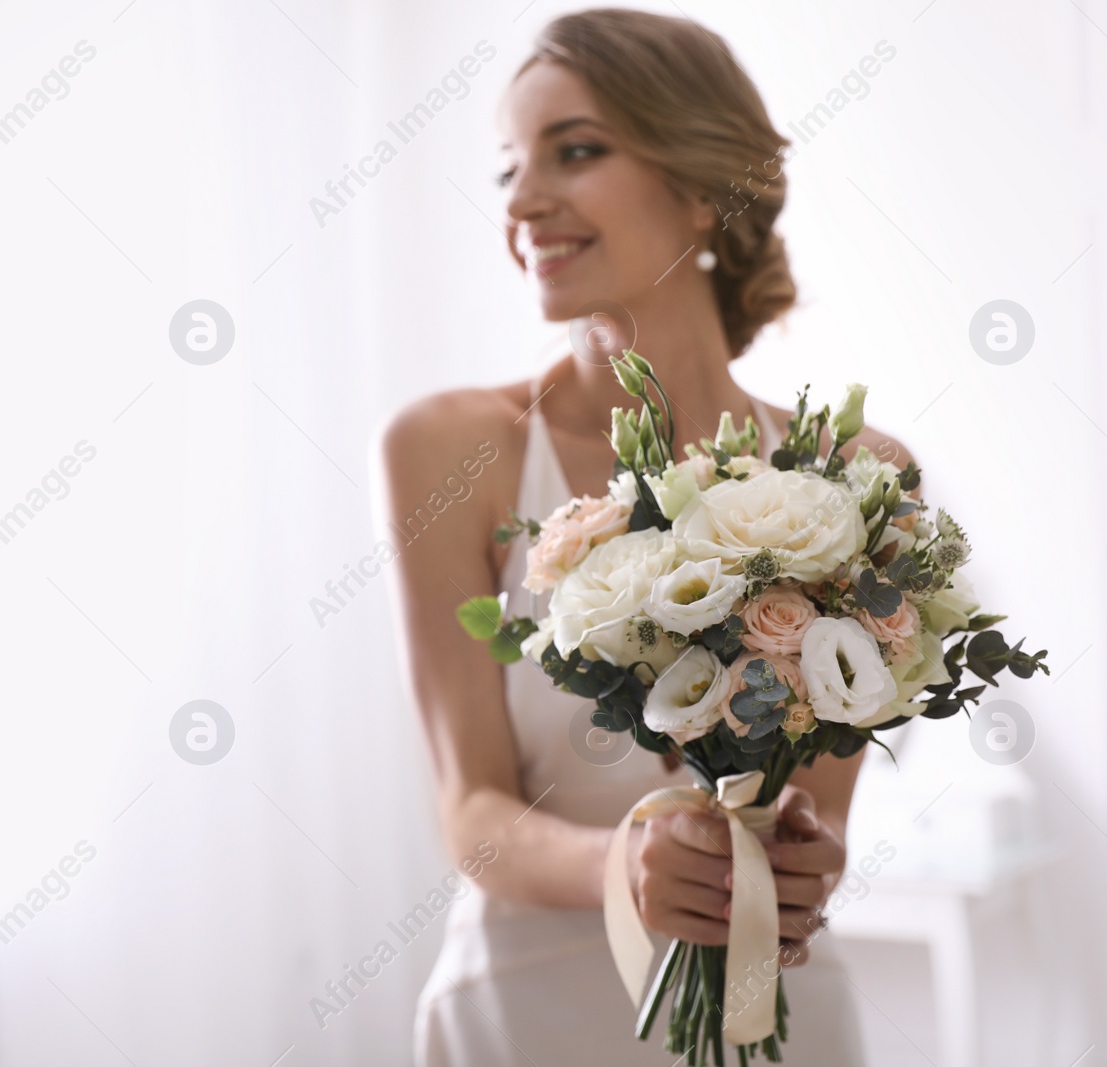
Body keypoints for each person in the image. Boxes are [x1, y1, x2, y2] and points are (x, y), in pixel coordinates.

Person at [377, 10, 917, 1064]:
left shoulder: (865, 476)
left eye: (574, 150)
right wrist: (620, 867)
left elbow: (825, 814)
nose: (524, 202)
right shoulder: (450, 450)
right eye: (506, 171)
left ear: (700, 179)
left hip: (777, 1013)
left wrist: (803, 861)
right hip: (525, 1015)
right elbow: (470, 807)